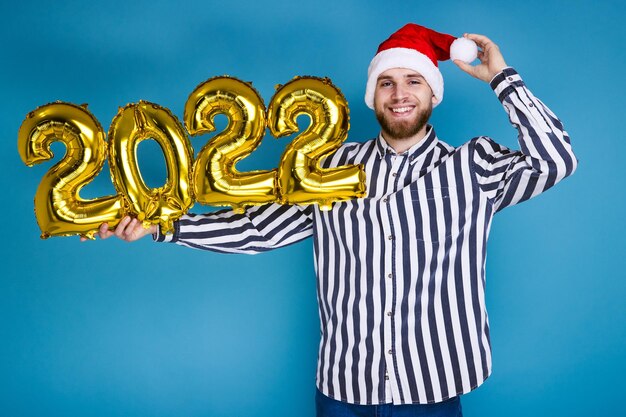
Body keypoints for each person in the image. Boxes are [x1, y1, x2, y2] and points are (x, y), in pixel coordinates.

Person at [88, 24, 576, 416]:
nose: (399, 93)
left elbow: (556, 160)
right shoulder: (328, 168)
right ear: (372, 95)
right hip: (344, 388)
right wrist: (164, 225)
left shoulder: (475, 167)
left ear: (433, 93)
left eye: (413, 81)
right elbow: (259, 229)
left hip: (434, 387)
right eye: (387, 81)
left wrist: (502, 78)